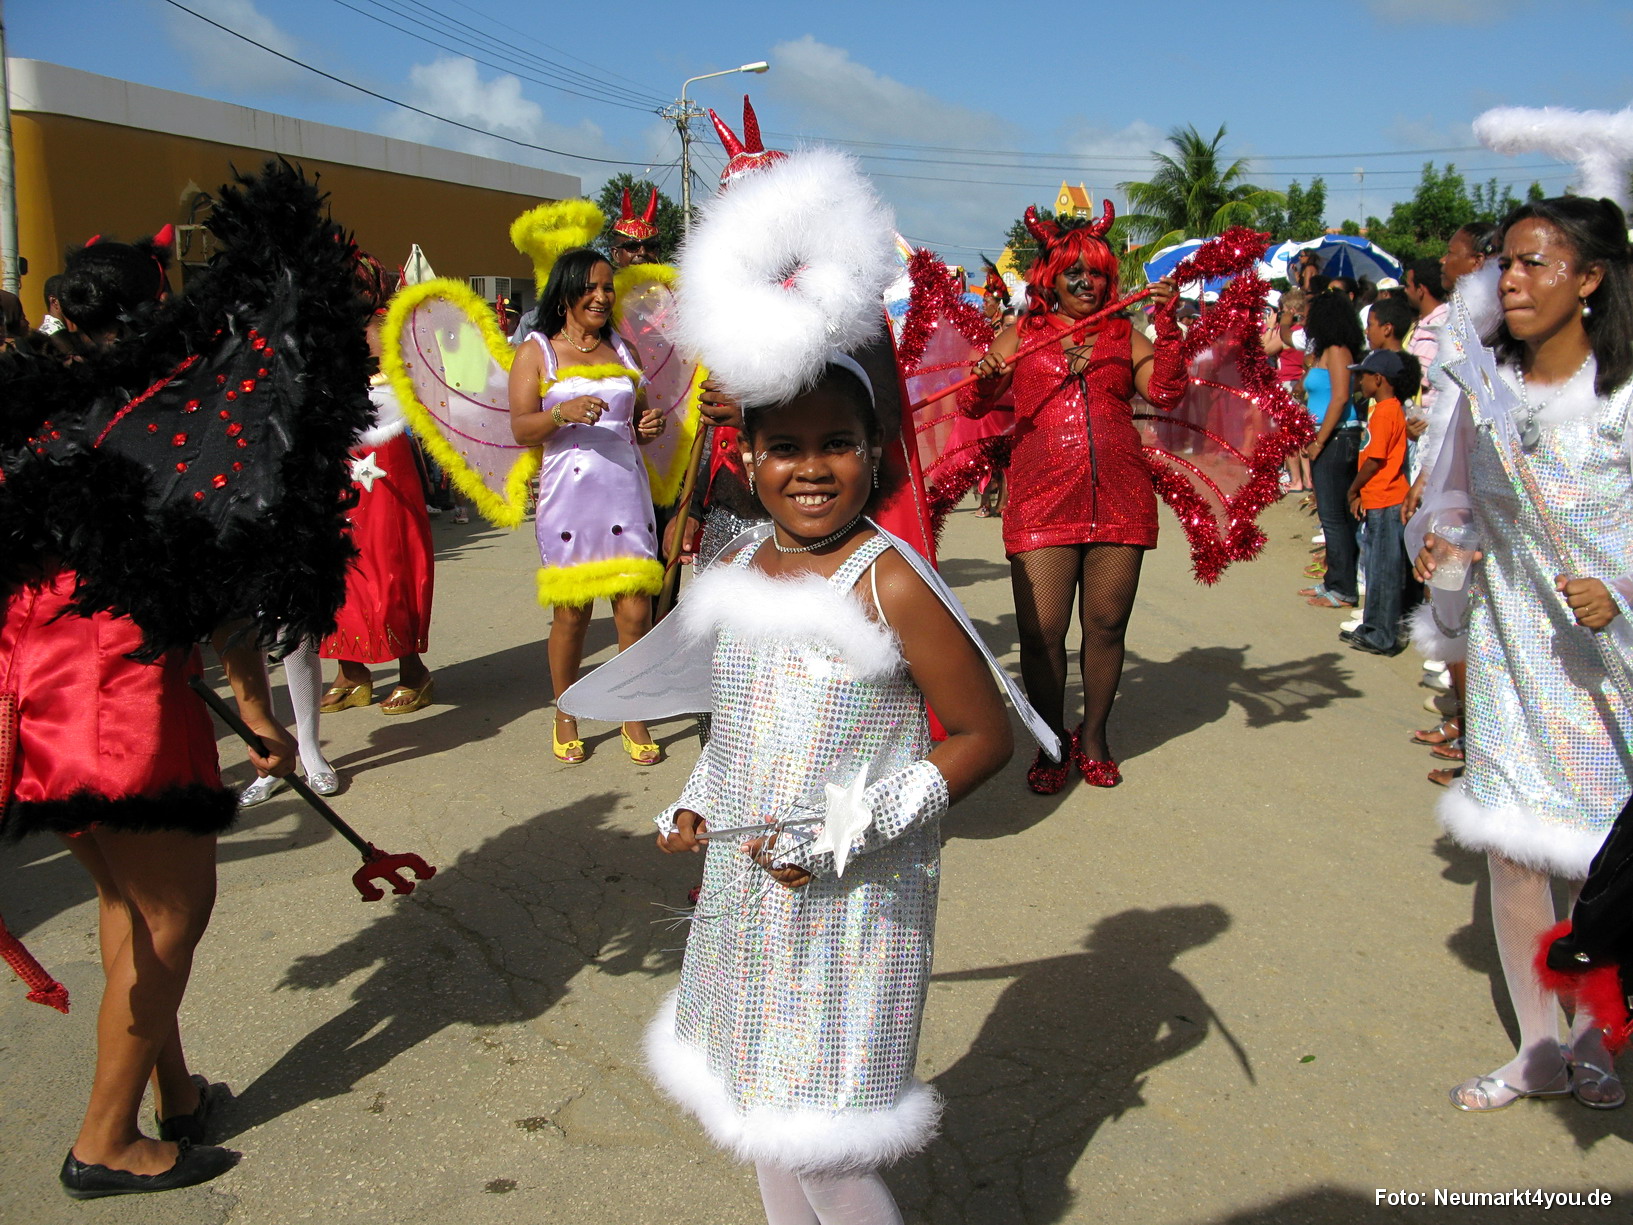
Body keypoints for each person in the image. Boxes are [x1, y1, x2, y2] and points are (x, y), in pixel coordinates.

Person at [0, 165, 371, 1197]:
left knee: (128, 899)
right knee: (172, 912)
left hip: (31, 690)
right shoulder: (162, 419)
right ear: (157, 314)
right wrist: (257, 711)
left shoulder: (37, 413)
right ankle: (104, 1140)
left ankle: (176, 1095)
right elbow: (208, 585)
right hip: (109, 693)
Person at [649, 361, 1016, 1225]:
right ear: (745, 456)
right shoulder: (737, 560)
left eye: (836, 444)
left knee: (822, 1144)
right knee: (756, 1112)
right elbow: (737, 725)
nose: (810, 468)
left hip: (852, 911)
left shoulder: (890, 582)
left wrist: (845, 832)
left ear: (875, 452)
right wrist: (698, 800)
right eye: (785, 446)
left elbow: (982, 737)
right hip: (747, 897)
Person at [1413, 195, 1633, 1113]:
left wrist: (1620, 594)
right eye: (1505, 261)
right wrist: (1446, 554)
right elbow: (1451, 498)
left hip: (1610, 668)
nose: (1511, 277)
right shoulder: (1481, 388)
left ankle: (1597, 1040)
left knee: (1602, 861)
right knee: (1511, 854)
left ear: (1588, 280)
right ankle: (1535, 1046)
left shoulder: (1623, 398)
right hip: (1510, 653)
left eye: (1537, 262)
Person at [969, 203, 1185, 793]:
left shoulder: (1125, 334)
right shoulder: (1022, 334)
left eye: (1096, 273)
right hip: (1041, 499)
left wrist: (1166, 326)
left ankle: (1094, 737)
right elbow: (974, 405)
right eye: (1074, 273)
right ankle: (1051, 740)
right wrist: (988, 373)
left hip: (1119, 495)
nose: (1087, 282)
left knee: (1107, 625)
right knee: (1041, 633)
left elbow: (1164, 391)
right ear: (1051, 279)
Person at [508, 246, 666, 764]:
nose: (601, 296)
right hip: (568, 499)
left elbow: (638, 420)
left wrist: (648, 427)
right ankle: (566, 710)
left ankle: (632, 715)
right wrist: (562, 413)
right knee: (572, 614)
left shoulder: (623, 351)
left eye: (607, 288)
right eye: (590, 287)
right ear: (567, 292)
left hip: (625, 490)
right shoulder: (538, 351)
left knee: (634, 611)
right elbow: (520, 426)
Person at [319, 283, 437, 719]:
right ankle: (351, 673)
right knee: (339, 568)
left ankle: (413, 672)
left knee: (392, 565)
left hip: (387, 468)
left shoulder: (396, 341)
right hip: (336, 468)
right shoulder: (325, 342)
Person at [1342, 350, 1420, 655]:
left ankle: (1383, 634)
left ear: (1379, 379)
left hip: (1388, 500)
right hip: (1378, 499)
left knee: (1385, 571)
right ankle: (1372, 626)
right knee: (1375, 568)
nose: (1359, 380)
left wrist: (1353, 489)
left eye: (1364, 375)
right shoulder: (1382, 410)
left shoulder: (1387, 411)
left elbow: (1375, 460)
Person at [1299, 291, 1366, 609]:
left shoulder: (1338, 350)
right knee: (1333, 516)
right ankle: (1333, 581)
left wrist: (1319, 441)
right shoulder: (1326, 351)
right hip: (1330, 435)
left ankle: (1343, 588)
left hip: (1338, 437)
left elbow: (1340, 398)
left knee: (1334, 516)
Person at [609, 184, 662, 268]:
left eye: (650, 246)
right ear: (616, 254)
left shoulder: (675, 280)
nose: (642, 252)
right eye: (632, 246)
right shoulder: (603, 280)